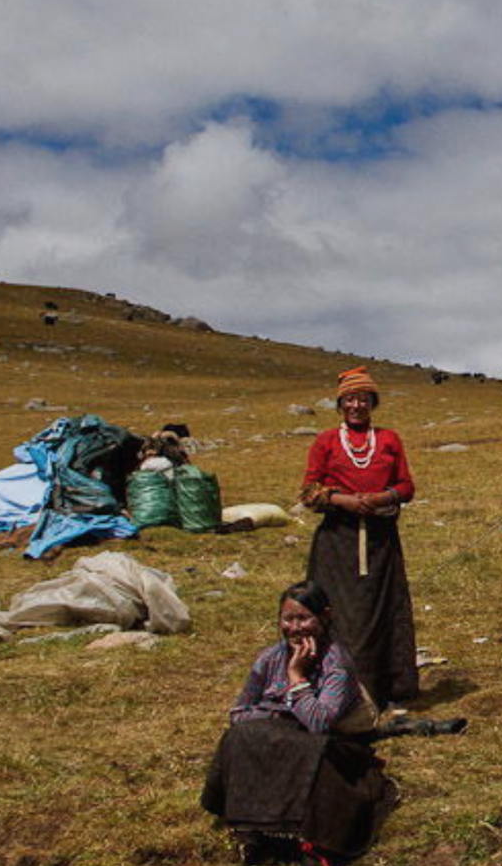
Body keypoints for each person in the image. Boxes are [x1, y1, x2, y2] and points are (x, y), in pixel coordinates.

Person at [201, 581, 394, 864]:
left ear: (325, 616)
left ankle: (299, 833)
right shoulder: (268, 659)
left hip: (333, 744)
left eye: (303, 618)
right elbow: (239, 711)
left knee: (300, 748)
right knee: (240, 737)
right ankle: (252, 826)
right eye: (288, 619)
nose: (295, 627)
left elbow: (319, 722)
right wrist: (277, 716)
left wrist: (296, 678)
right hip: (281, 733)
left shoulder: (336, 665)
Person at [300, 367, 418, 709]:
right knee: (340, 612)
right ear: (340, 404)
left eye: (363, 399)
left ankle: (387, 689)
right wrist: (345, 501)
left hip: (381, 540)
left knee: (382, 609)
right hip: (338, 542)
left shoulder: (389, 439)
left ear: (373, 402)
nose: (357, 405)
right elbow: (309, 491)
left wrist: (381, 498)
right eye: (350, 399)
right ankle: (336, 686)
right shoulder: (325, 441)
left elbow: (406, 486)